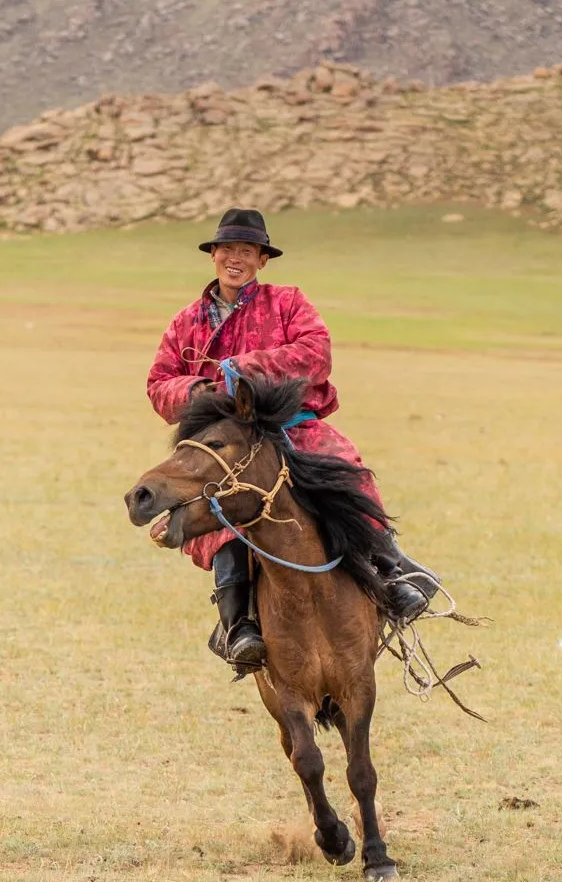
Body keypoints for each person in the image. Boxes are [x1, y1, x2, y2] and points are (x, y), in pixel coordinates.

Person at [146, 207, 439, 672]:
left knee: (345, 473)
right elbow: (159, 382)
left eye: (246, 251)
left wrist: (238, 369)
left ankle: (396, 571)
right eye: (227, 250)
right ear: (213, 256)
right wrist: (196, 391)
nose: (235, 259)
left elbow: (314, 353)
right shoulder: (187, 321)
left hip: (293, 426)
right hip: (226, 441)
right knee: (216, 505)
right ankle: (238, 622)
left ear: (262, 260)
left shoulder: (287, 302)